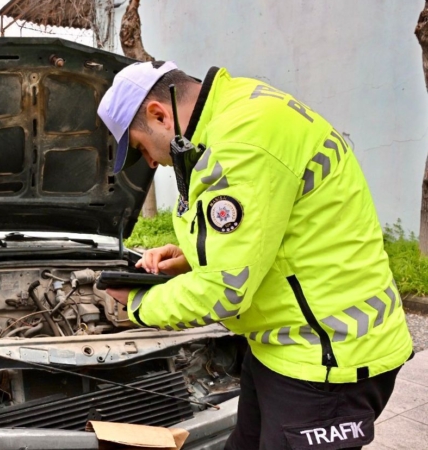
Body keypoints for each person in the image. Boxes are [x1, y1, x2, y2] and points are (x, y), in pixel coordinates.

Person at [98, 61, 413, 449]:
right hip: (280, 345)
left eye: (141, 148)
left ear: (159, 114)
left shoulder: (242, 143)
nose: (149, 162)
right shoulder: (239, 106)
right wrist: (192, 256)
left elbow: (223, 290)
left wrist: (138, 304)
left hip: (327, 360)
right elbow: (269, 230)